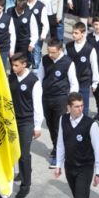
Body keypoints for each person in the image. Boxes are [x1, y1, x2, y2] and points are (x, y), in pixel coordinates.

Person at [55, 92, 99, 198]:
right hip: (70, 168)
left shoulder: (91, 124)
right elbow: (61, 143)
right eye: (76, 107)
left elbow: (97, 150)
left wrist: (98, 172)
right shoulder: (63, 120)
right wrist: (58, 165)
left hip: (85, 168)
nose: (80, 109)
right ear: (68, 107)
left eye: (82, 106)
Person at [39, 39, 79, 168]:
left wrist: (70, 102)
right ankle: (57, 146)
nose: (50, 55)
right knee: (50, 125)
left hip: (61, 98)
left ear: (60, 50)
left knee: (59, 126)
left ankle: (58, 153)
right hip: (46, 97)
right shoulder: (45, 60)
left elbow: (74, 84)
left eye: (53, 52)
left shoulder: (68, 62)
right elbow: (40, 78)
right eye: (49, 52)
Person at [8, 54, 43, 198]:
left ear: (24, 65)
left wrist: (38, 125)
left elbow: (37, 105)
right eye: (12, 65)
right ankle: (23, 172)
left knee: (23, 153)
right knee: (14, 151)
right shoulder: (11, 78)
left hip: (26, 121)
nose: (13, 68)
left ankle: (25, 184)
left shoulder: (33, 81)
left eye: (16, 65)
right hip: (12, 120)